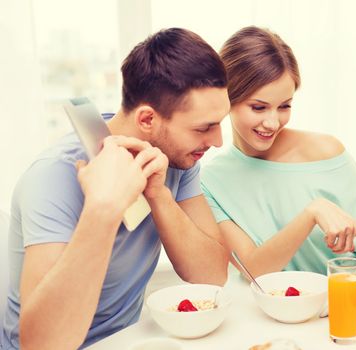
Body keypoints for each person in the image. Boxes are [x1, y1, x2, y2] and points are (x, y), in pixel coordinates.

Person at [1, 28, 231, 350]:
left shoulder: (179, 159)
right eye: (203, 128)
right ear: (148, 119)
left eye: (219, 123)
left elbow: (211, 276)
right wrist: (103, 209)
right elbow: (41, 344)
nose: (217, 141)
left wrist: (159, 195)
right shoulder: (52, 177)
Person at [201, 26, 356, 291]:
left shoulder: (326, 152)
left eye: (284, 106)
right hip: (283, 320)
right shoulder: (211, 181)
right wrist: (311, 213)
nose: (273, 122)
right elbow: (255, 271)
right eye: (258, 107)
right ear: (226, 98)